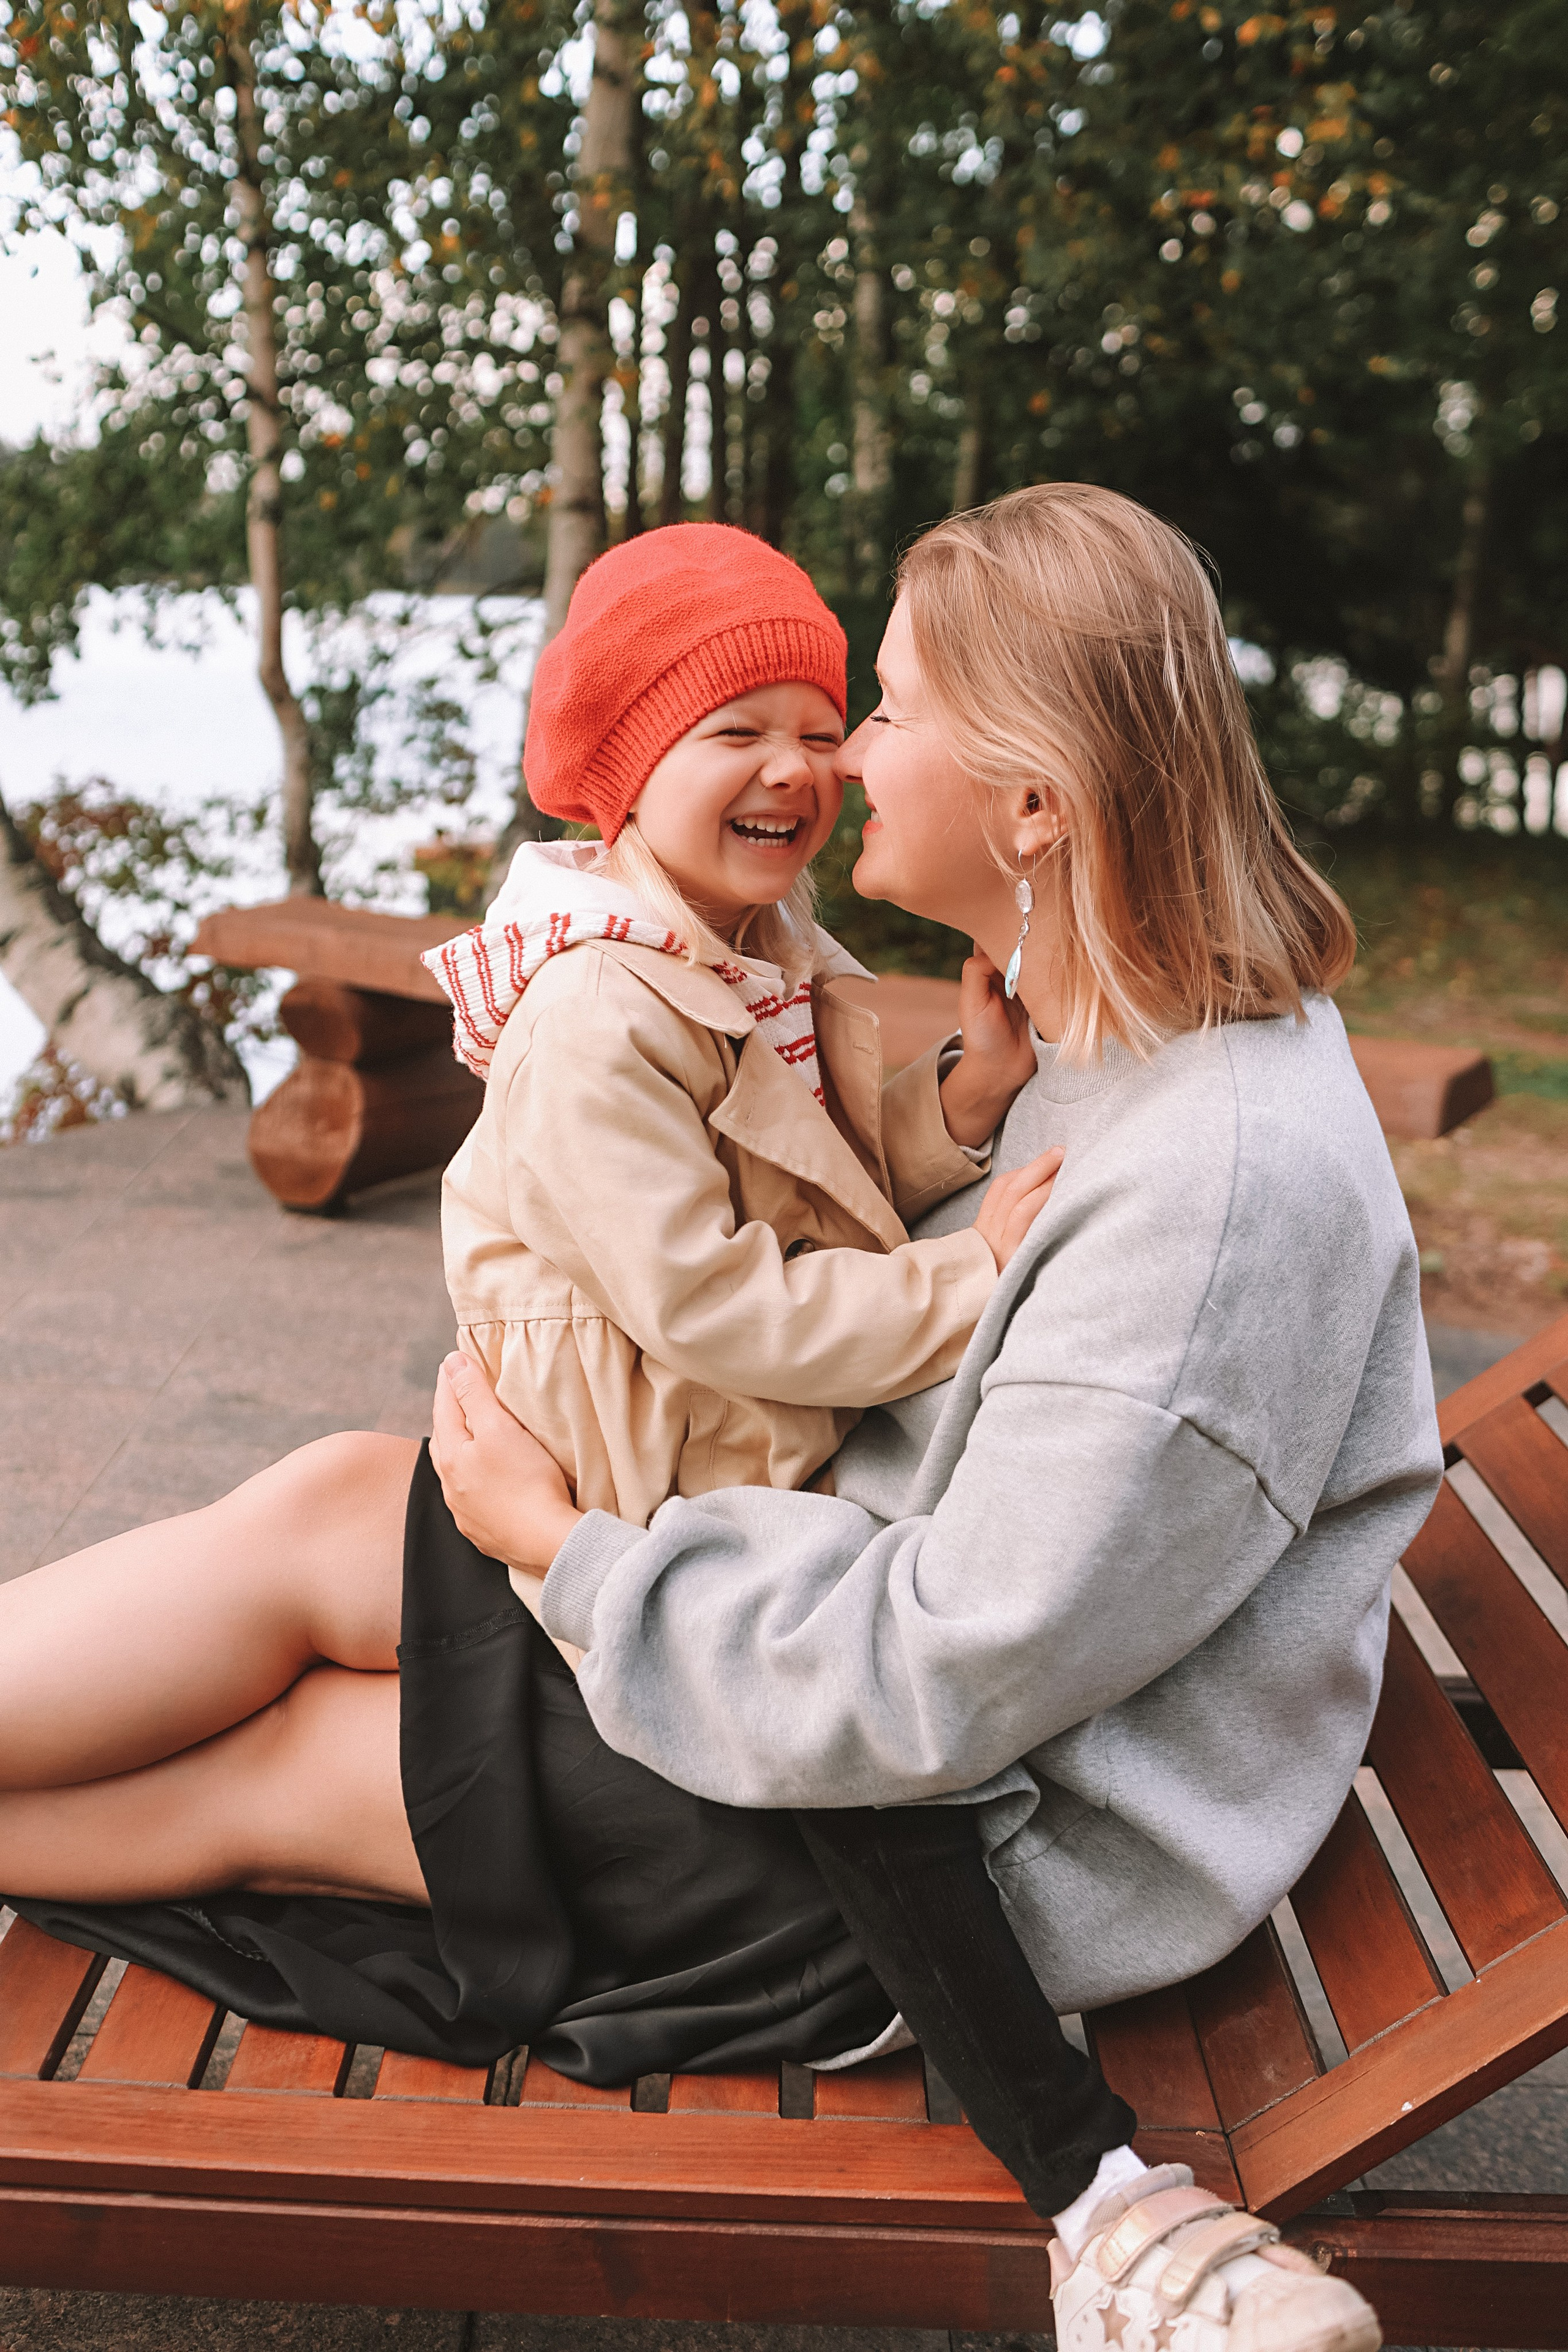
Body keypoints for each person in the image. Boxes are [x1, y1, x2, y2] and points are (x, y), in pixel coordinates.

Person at [0, 484, 1442, 2352]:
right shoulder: (1118, 1024)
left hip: (920, 1838)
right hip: (790, 1608)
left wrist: (572, 1551)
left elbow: (933, 1689)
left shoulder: (1215, 1201)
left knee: (299, 1764)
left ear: (1034, 802)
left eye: (884, 709)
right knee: (327, 1511)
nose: (843, 755)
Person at [422, 522, 1061, 1548]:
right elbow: (712, 1302)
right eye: (736, 734)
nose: (794, 771)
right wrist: (969, 1277)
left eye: (819, 736)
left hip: (721, 1468)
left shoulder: (759, 954)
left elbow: (798, 1183)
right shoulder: (596, 1013)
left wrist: (963, 1098)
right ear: (631, 771)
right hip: (625, 1498)